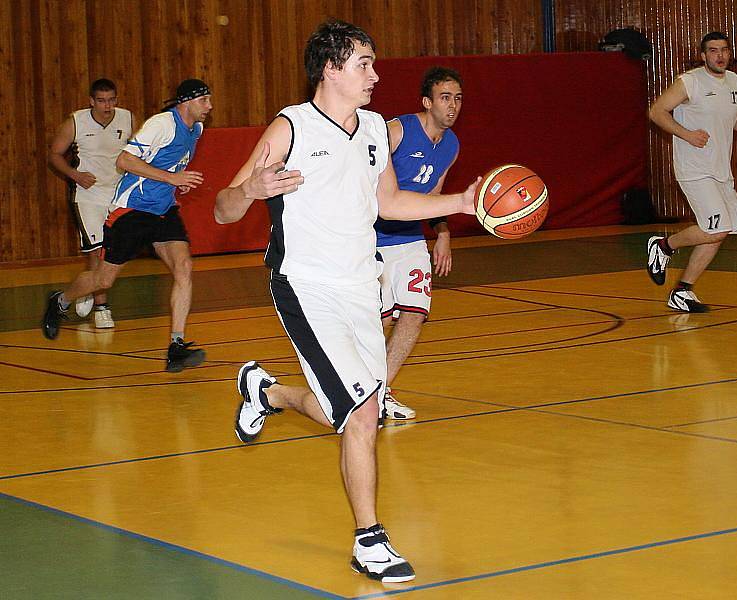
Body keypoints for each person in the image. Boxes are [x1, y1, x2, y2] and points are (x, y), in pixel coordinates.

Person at [214, 20, 477, 583]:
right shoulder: (290, 127)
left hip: (362, 284)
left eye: (373, 63)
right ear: (330, 68)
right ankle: (370, 540)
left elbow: (389, 202)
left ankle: (269, 392)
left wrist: (462, 201)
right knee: (359, 411)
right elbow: (223, 209)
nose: (375, 75)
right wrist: (250, 190)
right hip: (304, 286)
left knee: (358, 410)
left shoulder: (377, 129)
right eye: (364, 64)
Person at [42, 79, 212, 373]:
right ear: (186, 102)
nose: (209, 106)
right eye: (204, 100)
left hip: (164, 210)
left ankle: (176, 346)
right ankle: (61, 300)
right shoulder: (162, 124)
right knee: (103, 281)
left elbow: (171, 165)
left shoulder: (195, 129)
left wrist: (177, 180)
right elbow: (124, 161)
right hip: (132, 209)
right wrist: (171, 179)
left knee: (184, 268)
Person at [647, 31, 737, 312]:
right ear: (703, 55)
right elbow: (657, 111)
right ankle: (664, 246)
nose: (719, 55)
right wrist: (686, 134)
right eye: (713, 50)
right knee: (717, 226)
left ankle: (682, 292)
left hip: (721, 170)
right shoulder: (690, 81)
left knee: (721, 232)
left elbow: (730, 120)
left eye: (724, 50)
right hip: (695, 169)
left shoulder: (733, 80)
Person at [375, 66, 463, 420]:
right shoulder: (396, 131)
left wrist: (442, 233)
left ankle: (381, 390)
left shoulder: (451, 145)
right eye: (445, 98)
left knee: (414, 314)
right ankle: (360, 389)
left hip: (410, 239)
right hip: (373, 238)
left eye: (457, 99)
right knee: (378, 322)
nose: (452, 106)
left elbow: (435, 196)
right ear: (427, 102)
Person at [48, 78, 136, 329]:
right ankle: (102, 308)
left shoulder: (128, 119)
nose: (106, 106)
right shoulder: (76, 121)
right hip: (87, 196)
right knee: (98, 251)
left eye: (111, 100)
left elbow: (140, 152)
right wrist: (75, 175)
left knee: (112, 251)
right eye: (101, 100)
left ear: (116, 100)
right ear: (91, 101)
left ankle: (86, 288)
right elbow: (54, 154)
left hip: (118, 195)